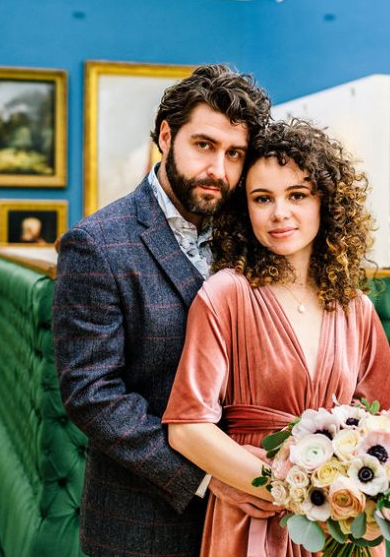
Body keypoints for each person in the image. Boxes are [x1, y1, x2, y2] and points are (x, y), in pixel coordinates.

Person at [163, 120, 390, 557]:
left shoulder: (355, 307)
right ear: (245, 211)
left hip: (342, 520)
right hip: (254, 512)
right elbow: (187, 428)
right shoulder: (225, 295)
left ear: (325, 203)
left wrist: (363, 492)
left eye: (297, 195)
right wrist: (298, 489)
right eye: (263, 199)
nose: (280, 213)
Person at [52, 64, 272, 557]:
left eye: (235, 153)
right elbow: (93, 394)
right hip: (145, 519)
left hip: (254, 520)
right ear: (166, 137)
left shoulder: (252, 237)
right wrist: (206, 477)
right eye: (204, 145)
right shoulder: (97, 244)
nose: (219, 168)